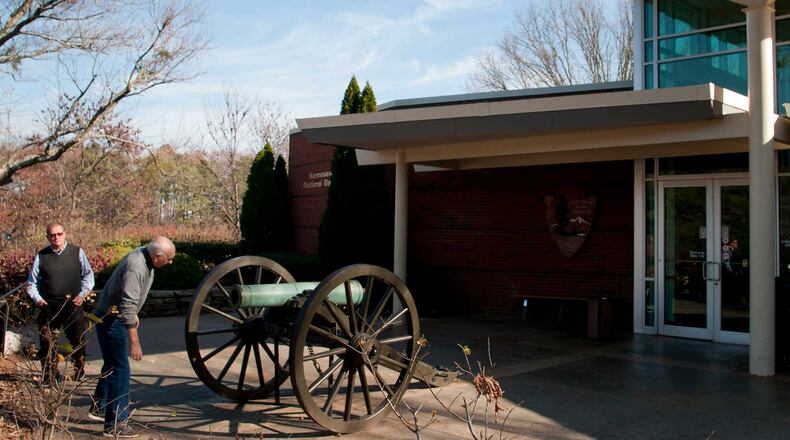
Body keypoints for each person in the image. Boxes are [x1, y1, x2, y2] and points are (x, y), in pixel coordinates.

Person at [89, 236, 175, 438]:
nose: (170, 262)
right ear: (157, 256)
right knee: (121, 370)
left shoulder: (145, 254)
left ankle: (99, 407)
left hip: (109, 315)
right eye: (169, 258)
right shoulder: (137, 266)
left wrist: (134, 312)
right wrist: (135, 343)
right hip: (113, 320)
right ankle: (115, 425)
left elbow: (125, 296)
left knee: (111, 365)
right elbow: (126, 306)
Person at [27, 222, 95, 383]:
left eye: (59, 234)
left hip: (73, 303)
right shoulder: (42, 256)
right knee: (47, 341)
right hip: (48, 305)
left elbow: (88, 275)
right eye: (52, 235)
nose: (56, 237)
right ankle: (50, 374)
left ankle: (79, 369)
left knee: (79, 338)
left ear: (65, 234)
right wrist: (38, 299)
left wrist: (83, 294)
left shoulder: (77, 252)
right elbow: (31, 283)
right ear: (47, 237)